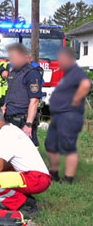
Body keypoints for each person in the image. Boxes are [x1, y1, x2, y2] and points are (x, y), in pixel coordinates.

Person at [0, 106, 52, 217]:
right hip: (39, 177)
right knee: (1, 172)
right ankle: (26, 200)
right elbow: (3, 165)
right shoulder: (11, 129)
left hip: (35, 178)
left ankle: (24, 205)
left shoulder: (2, 135)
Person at [45, 47, 91, 184]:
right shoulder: (68, 74)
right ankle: (53, 173)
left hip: (69, 116)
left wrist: (75, 101)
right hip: (59, 116)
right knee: (51, 144)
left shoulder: (76, 72)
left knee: (68, 146)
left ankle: (68, 179)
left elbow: (86, 84)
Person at [4, 43, 43, 147]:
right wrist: (4, 106)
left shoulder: (32, 73)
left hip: (23, 120)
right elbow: (11, 92)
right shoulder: (14, 72)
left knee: (28, 151)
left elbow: (34, 101)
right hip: (10, 118)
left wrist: (28, 124)